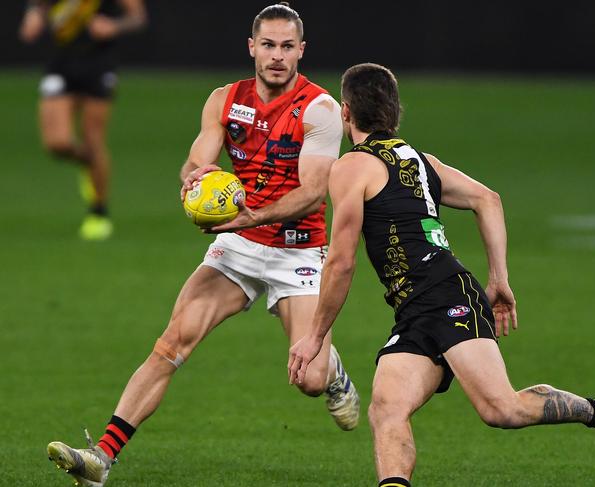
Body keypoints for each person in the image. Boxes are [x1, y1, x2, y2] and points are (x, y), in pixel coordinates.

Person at [288, 63, 595, 487]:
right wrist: (498, 279)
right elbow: (488, 199)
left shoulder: (350, 167)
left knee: (502, 409)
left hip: (445, 296)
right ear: (394, 111)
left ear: (345, 112)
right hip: (417, 307)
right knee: (386, 407)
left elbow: (341, 261)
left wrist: (315, 336)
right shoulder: (421, 161)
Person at [45, 4, 360, 486]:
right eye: (268, 45)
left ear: (301, 50)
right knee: (172, 343)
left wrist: (250, 214)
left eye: (287, 47)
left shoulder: (319, 109)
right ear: (252, 47)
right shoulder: (224, 99)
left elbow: (314, 191)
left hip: (297, 250)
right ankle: (101, 459)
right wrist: (195, 181)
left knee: (309, 382)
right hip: (237, 244)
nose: (277, 56)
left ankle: (334, 371)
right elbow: (196, 160)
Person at [19, 0, 147, 240]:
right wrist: (34, 14)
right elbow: (39, 6)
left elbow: (138, 17)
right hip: (61, 63)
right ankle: (88, 166)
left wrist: (115, 25)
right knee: (57, 143)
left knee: (93, 140)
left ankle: (98, 211)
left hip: (99, 64)